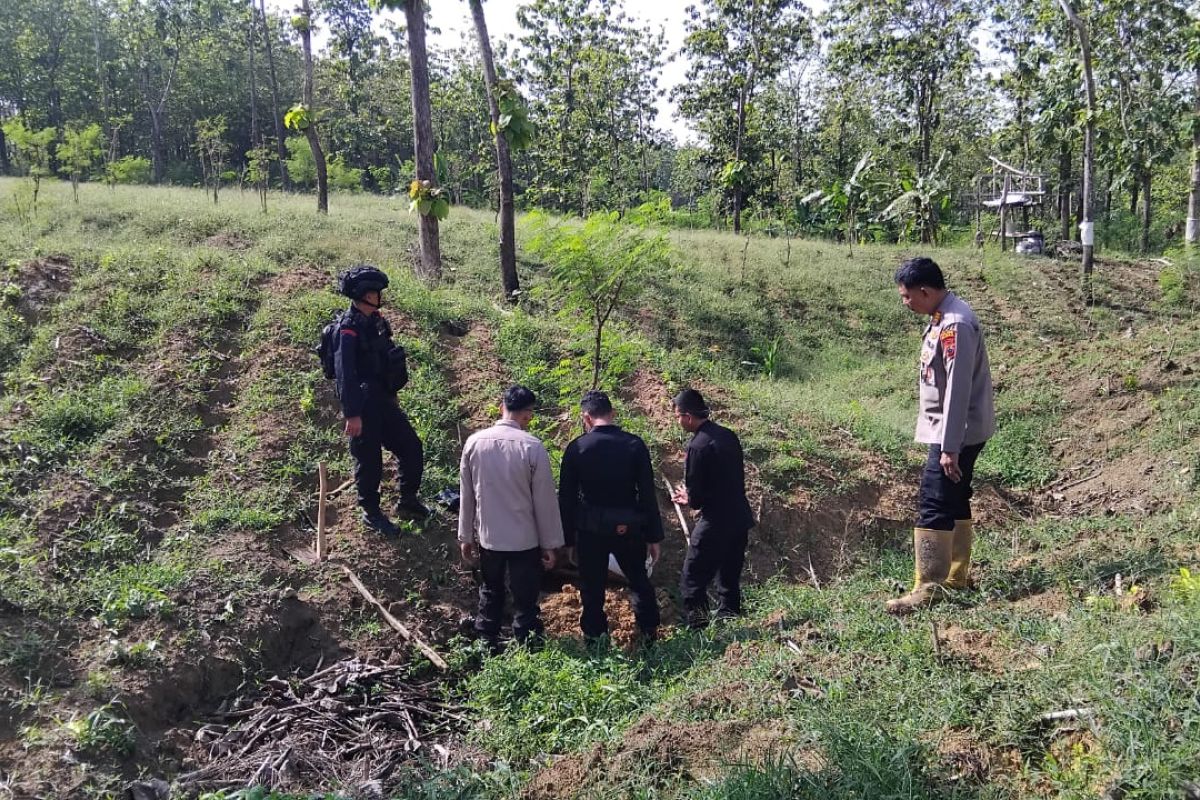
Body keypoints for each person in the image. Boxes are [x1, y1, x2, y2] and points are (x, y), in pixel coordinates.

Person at [886, 256, 995, 615]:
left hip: (955, 433)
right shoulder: (944, 316)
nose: (905, 303)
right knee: (956, 496)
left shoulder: (955, 325)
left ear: (926, 291)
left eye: (907, 296)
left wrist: (949, 447)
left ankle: (929, 586)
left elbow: (957, 391)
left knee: (934, 501)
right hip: (956, 429)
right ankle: (956, 575)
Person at [458, 386, 564, 648]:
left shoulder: (474, 442)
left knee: (491, 590)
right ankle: (528, 644)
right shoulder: (532, 447)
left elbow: (467, 494)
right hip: (523, 540)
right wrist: (550, 543)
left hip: (489, 538)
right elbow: (544, 500)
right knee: (525, 597)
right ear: (528, 414)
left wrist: (465, 536)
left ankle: (486, 639)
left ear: (500, 407)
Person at [559, 390, 663, 645]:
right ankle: (649, 633)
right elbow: (647, 494)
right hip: (628, 527)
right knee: (638, 579)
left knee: (592, 587)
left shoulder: (577, 448)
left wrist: (568, 539)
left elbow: (567, 500)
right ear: (613, 414)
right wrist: (654, 536)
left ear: (586, 418)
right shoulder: (634, 444)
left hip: (590, 529)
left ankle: (595, 639)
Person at [333, 265, 428, 537]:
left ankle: (407, 501)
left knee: (411, 446)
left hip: (383, 400)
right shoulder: (347, 330)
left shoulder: (376, 321)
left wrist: (392, 393)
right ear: (363, 294)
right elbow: (344, 375)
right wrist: (352, 415)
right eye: (375, 292)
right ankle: (371, 513)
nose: (379, 296)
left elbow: (386, 359)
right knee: (369, 461)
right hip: (362, 406)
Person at [670, 388, 755, 628]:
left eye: (677, 417)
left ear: (687, 416)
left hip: (716, 521)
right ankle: (731, 615)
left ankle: (698, 627)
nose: (678, 422)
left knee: (692, 578)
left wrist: (689, 498)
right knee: (728, 574)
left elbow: (696, 497)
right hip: (739, 516)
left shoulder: (697, 445)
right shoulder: (728, 435)